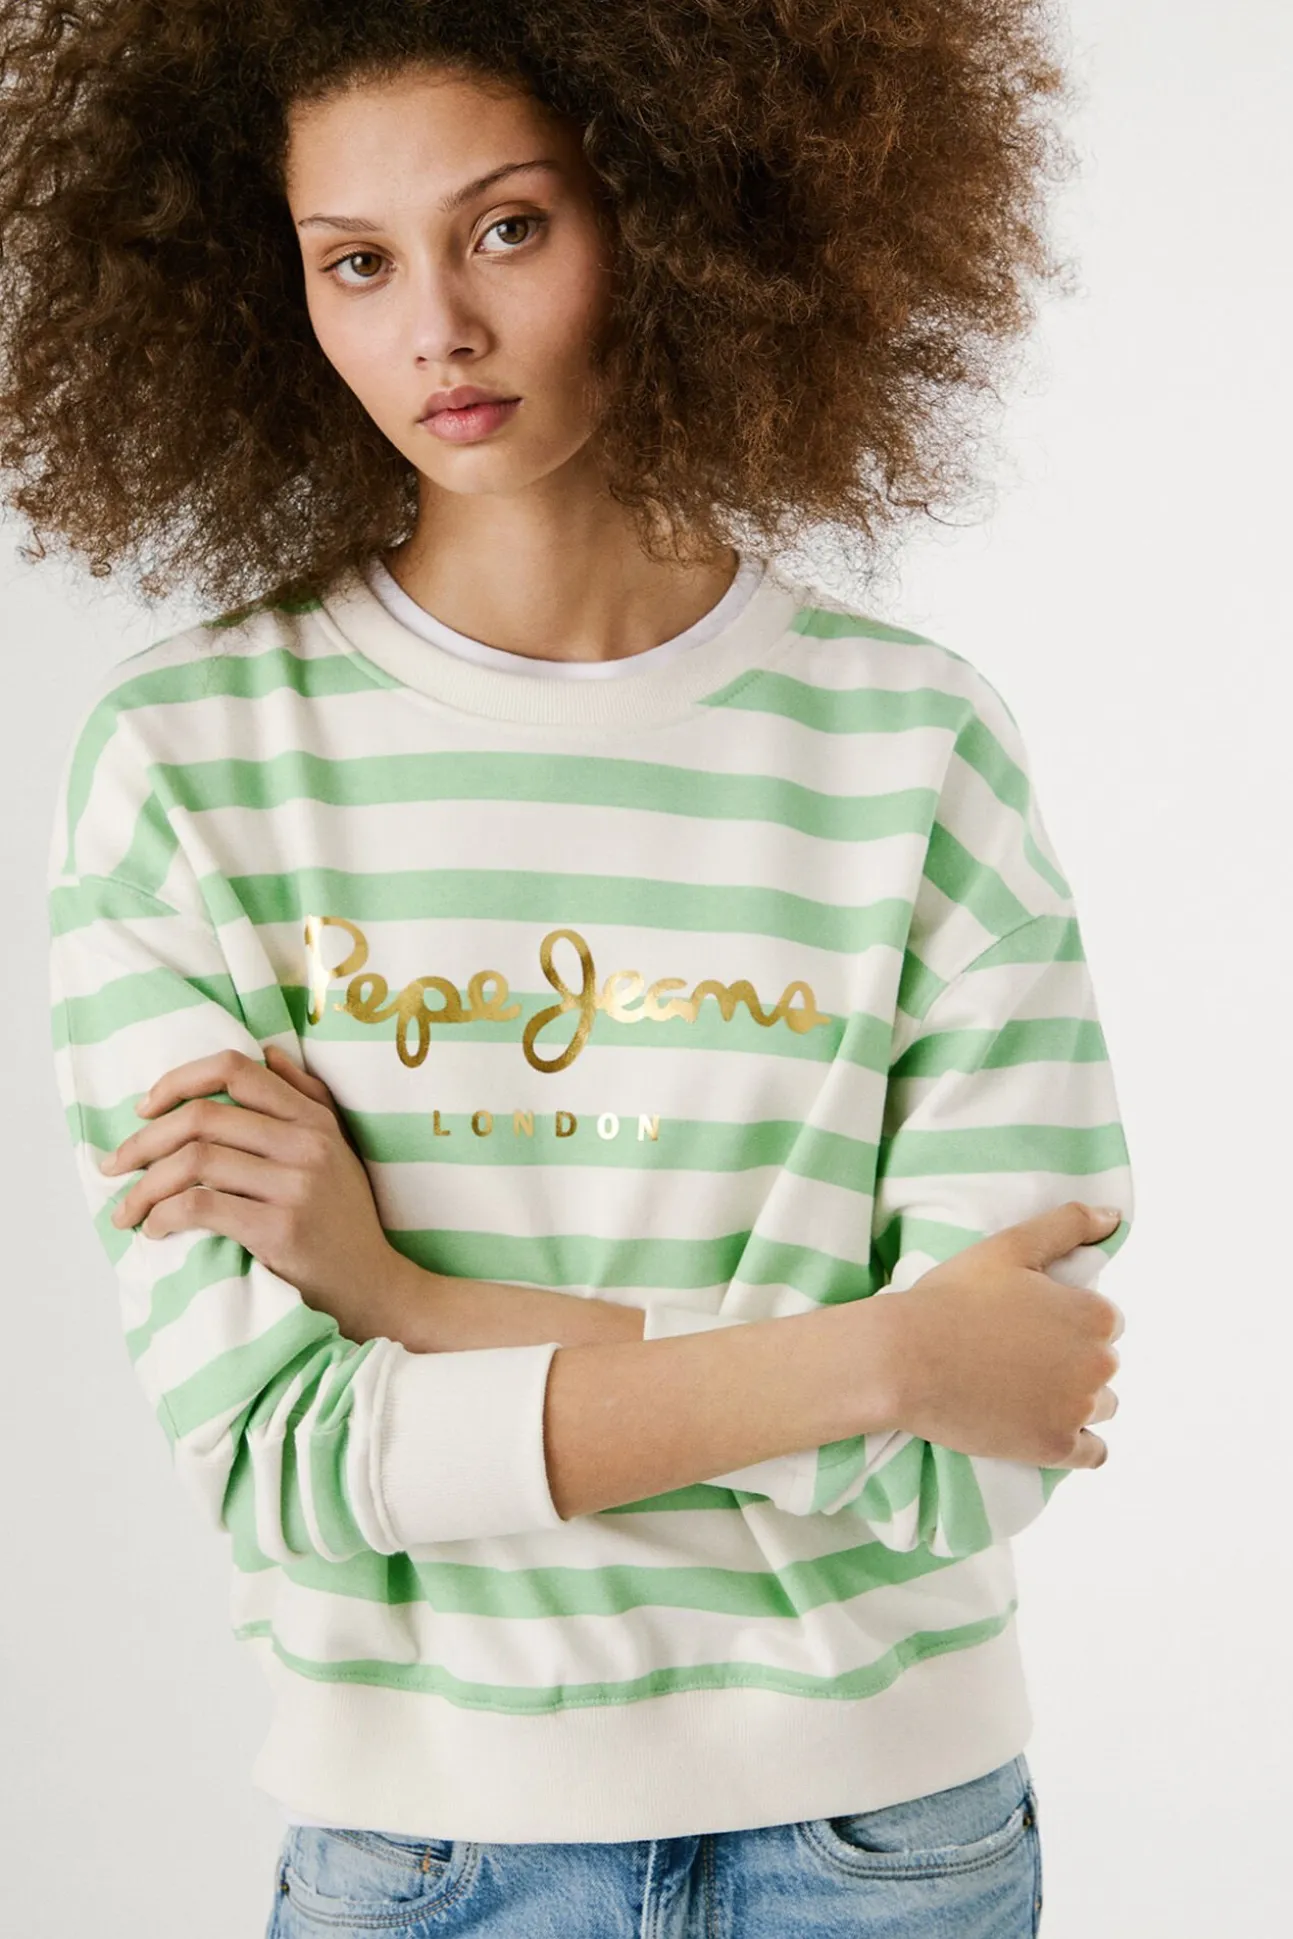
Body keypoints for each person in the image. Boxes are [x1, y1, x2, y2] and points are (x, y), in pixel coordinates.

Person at [9, 3, 1131, 1933]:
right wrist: (872, 1354)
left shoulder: (914, 744)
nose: (437, 327)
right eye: (356, 262)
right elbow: (287, 1456)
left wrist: (400, 1295)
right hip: (429, 1856)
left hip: (889, 1850)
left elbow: (985, 1444)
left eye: (508, 227)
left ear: (673, 213)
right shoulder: (188, 764)